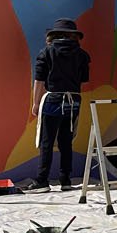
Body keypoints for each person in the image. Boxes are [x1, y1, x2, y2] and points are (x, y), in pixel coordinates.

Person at [28, 18, 91, 191]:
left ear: (53, 35)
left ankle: (42, 180)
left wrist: (35, 103)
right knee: (66, 141)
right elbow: (83, 81)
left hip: (53, 100)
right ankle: (66, 180)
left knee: (46, 141)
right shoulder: (82, 55)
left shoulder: (46, 53)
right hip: (73, 101)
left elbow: (39, 81)